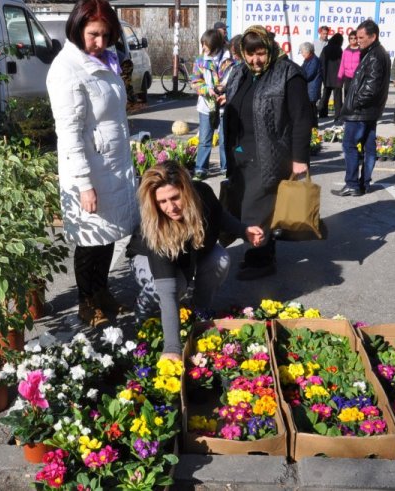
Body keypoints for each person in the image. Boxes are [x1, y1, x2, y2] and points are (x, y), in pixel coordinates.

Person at [46, 0, 139, 327]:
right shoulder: (67, 69)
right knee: (89, 240)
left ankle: (103, 293)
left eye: (106, 35)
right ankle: (87, 303)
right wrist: (84, 184)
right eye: (93, 35)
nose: (100, 42)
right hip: (88, 170)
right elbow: (69, 133)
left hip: (110, 164)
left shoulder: (102, 59)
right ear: (77, 28)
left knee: (107, 237)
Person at [126, 161, 264, 360]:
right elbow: (168, 290)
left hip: (188, 254)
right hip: (147, 258)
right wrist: (172, 348)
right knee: (175, 287)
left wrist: (243, 230)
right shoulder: (155, 229)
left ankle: (197, 310)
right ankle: (142, 308)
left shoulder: (202, 193)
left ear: (187, 191)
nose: (170, 207)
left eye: (175, 198)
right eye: (162, 202)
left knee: (220, 259)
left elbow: (219, 216)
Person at [224, 25, 311, 280]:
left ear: (270, 48)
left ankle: (259, 260)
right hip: (240, 152)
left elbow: (301, 119)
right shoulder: (241, 71)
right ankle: (264, 250)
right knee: (247, 206)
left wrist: (299, 159)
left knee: (255, 208)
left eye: (260, 53)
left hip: (270, 154)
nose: (255, 60)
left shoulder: (288, 74)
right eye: (250, 54)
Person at [334, 20, 391, 197]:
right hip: (369, 111)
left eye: (361, 37)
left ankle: (352, 184)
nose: (358, 40)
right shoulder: (375, 52)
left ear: (373, 36)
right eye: (357, 37)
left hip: (361, 112)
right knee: (368, 147)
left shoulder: (374, 55)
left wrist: (355, 103)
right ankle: (363, 184)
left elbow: (371, 87)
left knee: (349, 145)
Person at [190, 29, 234, 180]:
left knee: (225, 139)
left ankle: (226, 167)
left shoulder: (231, 59)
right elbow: (195, 82)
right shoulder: (200, 60)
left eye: (206, 45)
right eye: (202, 44)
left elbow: (237, 81)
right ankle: (201, 168)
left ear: (215, 45)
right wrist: (207, 90)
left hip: (225, 105)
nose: (203, 48)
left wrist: (226, 91)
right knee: (205, 139)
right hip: (206, 106)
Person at [318, 33, 344, 122]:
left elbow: (321, 61)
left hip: (327, 76)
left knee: (325, 95)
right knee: (337, 97)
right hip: (337, 77)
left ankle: (322, 113)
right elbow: (342, 63)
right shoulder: (339, 49)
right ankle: (338, 116)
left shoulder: (325, 48)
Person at [300, 42, 322, 128]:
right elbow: (301, 69)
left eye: (303, 52)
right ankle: (311, 125)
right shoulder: (307, 59)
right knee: (309, 108)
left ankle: (314, 126)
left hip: (312, 88)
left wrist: (300, 76)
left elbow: (309, 74)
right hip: (308, 88)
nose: (302, 54)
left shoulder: (314, 60)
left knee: (312, 108)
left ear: (308, 51)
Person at [337, 30, 361, 98]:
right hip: (347, 77)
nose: (353, 40)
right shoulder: (345, 51)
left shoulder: (361, 51)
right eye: (351, 38)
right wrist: (339, 77)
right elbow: (342, 65)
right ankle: (347, 109)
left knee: (355, 96)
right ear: (349, 39)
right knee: (347, 96)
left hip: (357, 77)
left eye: (355, 38)